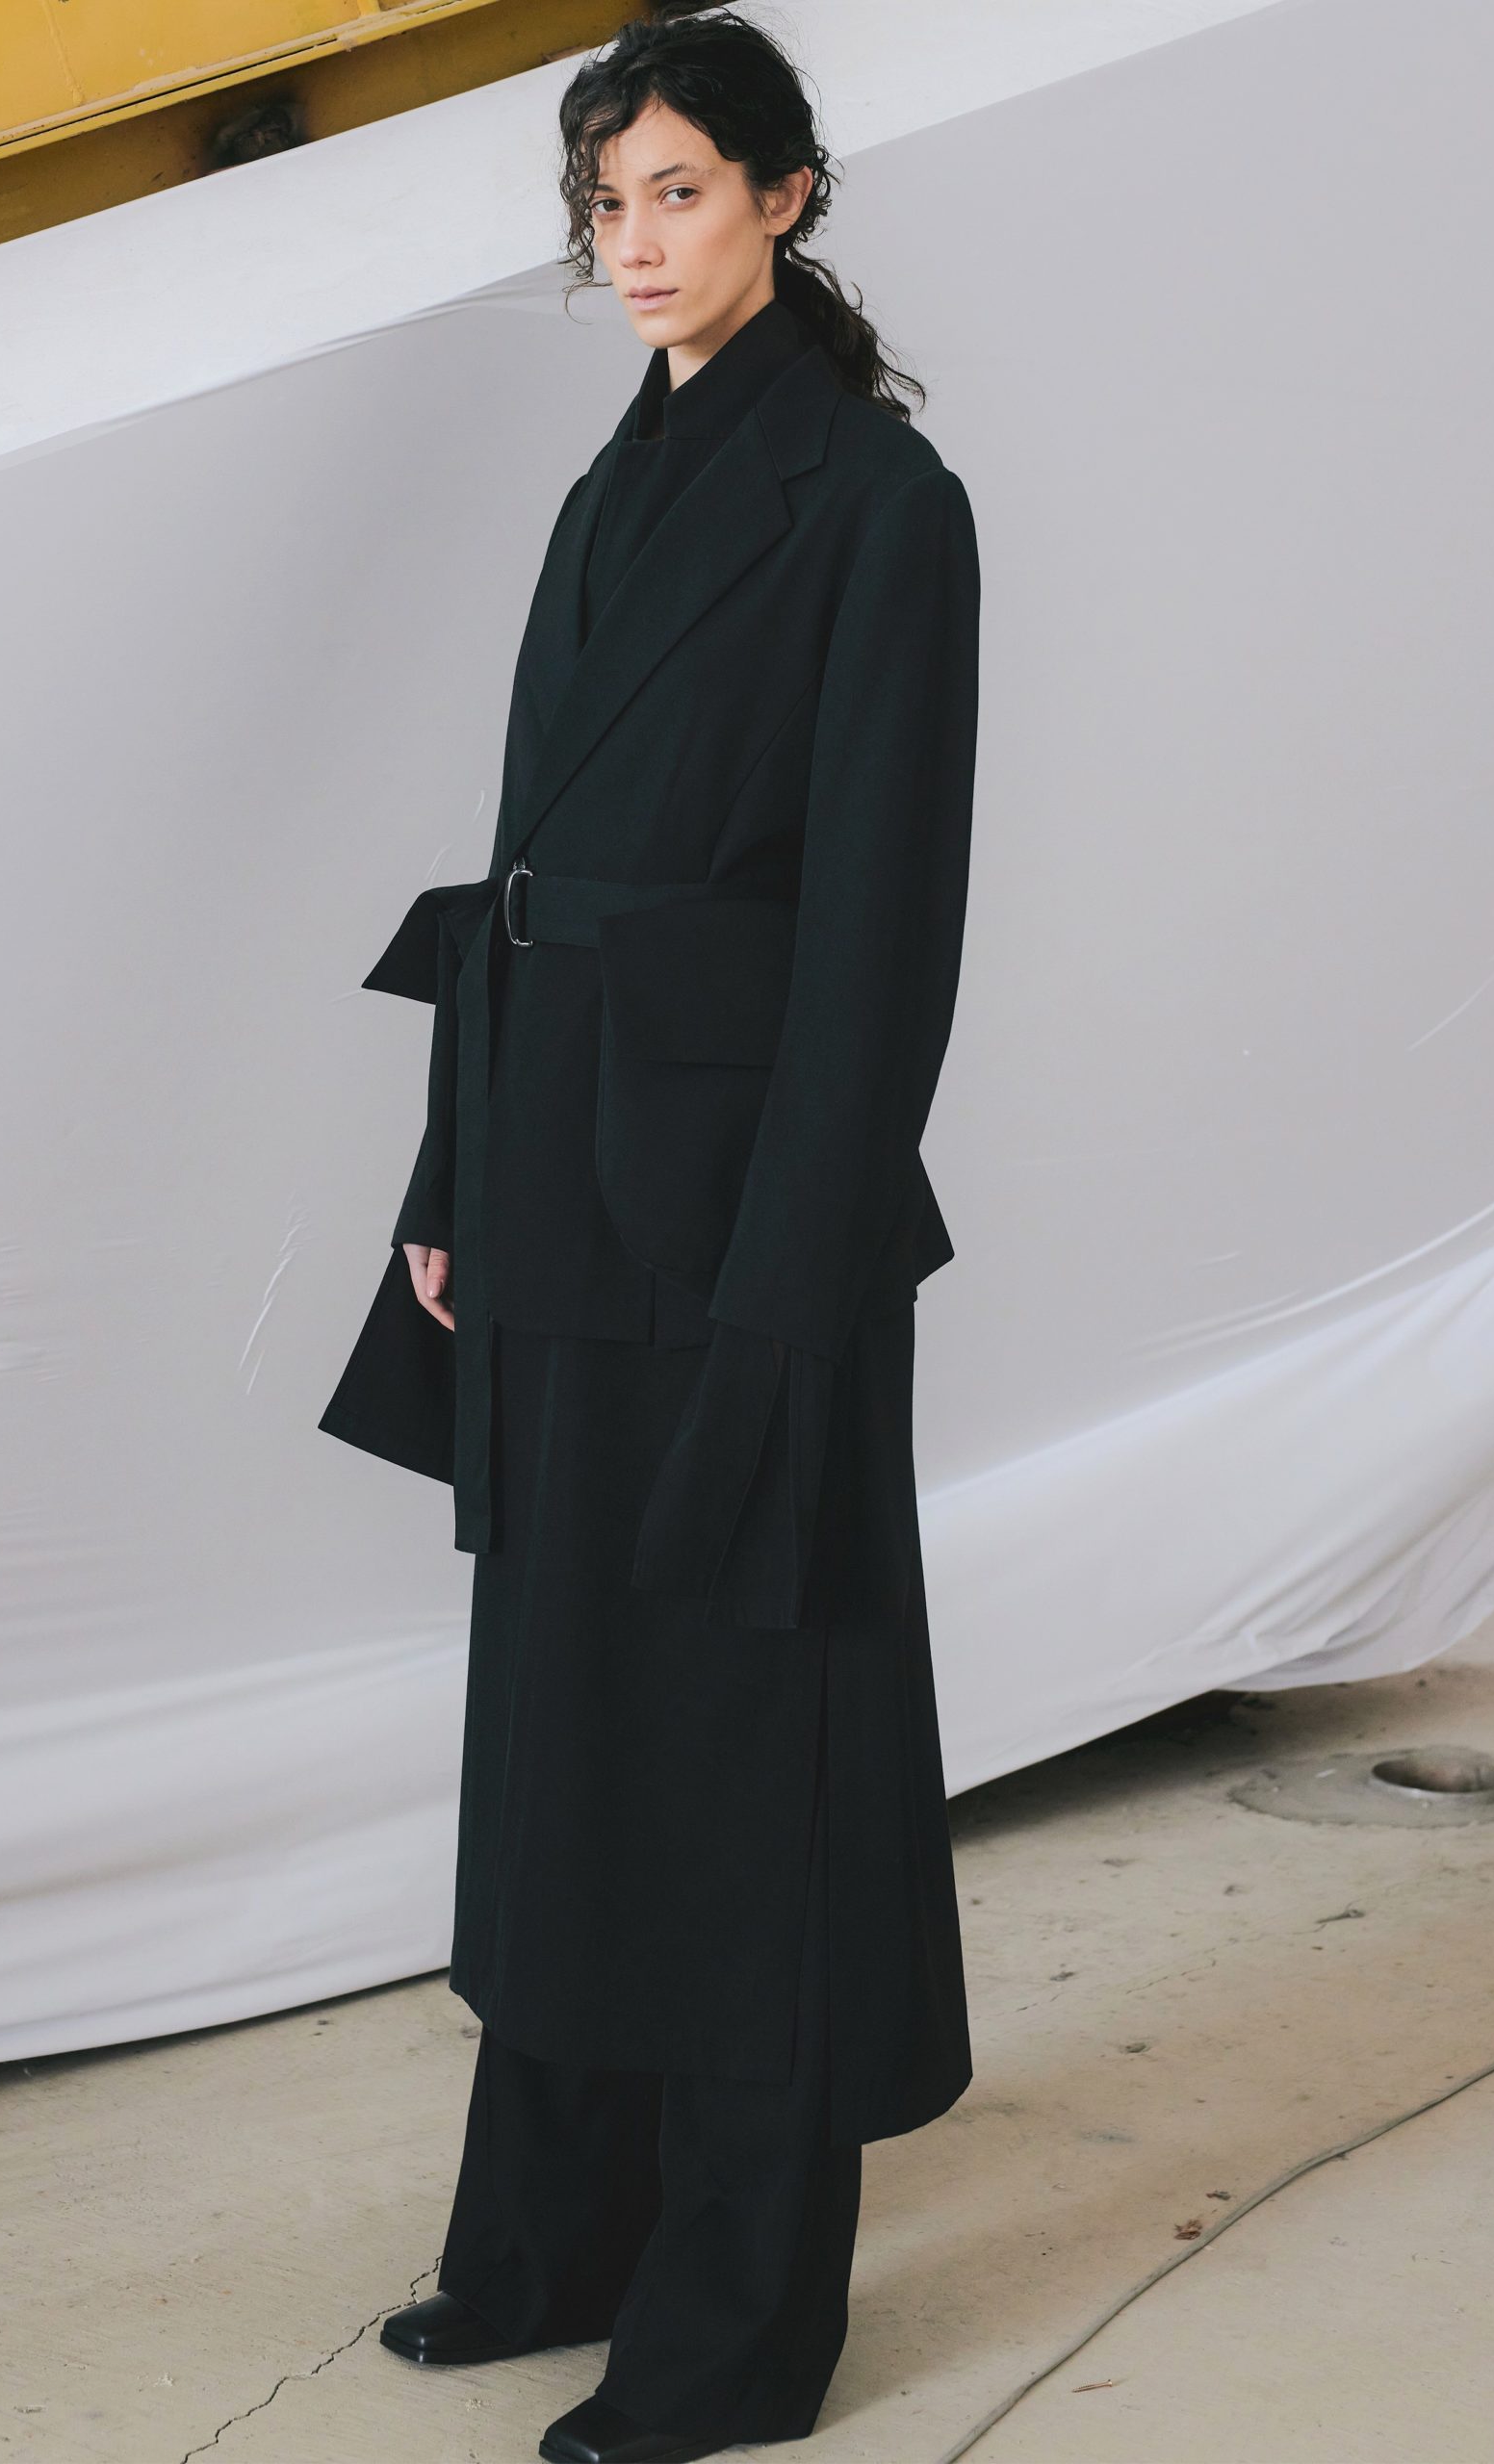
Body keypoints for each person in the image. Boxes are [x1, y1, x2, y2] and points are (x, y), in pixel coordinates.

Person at [318, 6, 982, 2457]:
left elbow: (880, 932)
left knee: (739, 1751)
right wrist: (447, 1186)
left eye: (677, 188)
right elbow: (516, 868)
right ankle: (552, 2235)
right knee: (572, 1724)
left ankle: (729, 2323)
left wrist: (796, 1273)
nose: (632, 238)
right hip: (556, 1183)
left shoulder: (878, 504)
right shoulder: (609, 487)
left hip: (737, 1221)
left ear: (785, 196)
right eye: (605, 200)